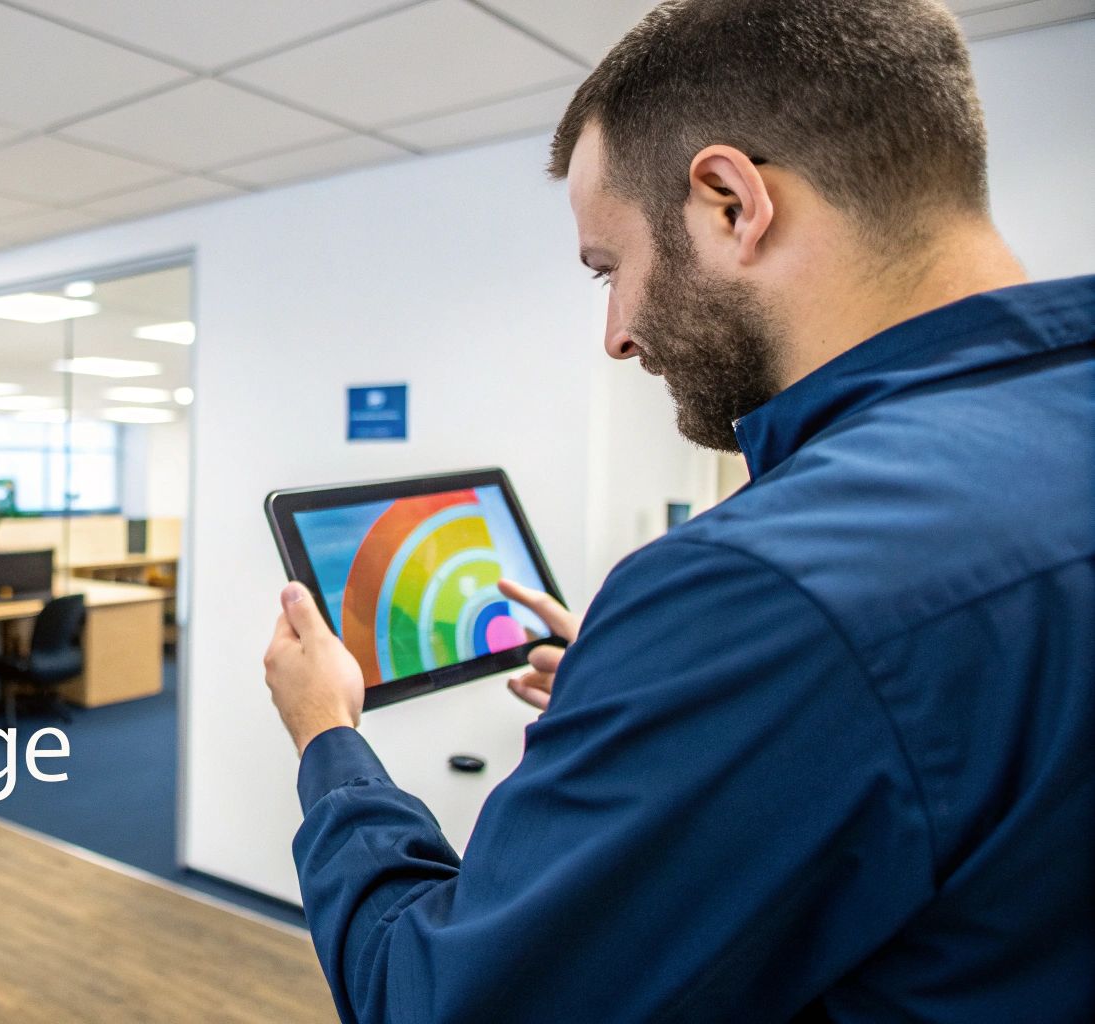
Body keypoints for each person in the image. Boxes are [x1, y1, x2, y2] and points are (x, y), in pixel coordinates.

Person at [260, 0, 1094, 1020]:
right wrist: (650, 690)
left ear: (730, 202)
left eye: (608, 269)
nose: (613, 334)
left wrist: (326, 738)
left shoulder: (754, 589)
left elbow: (434, 1000)